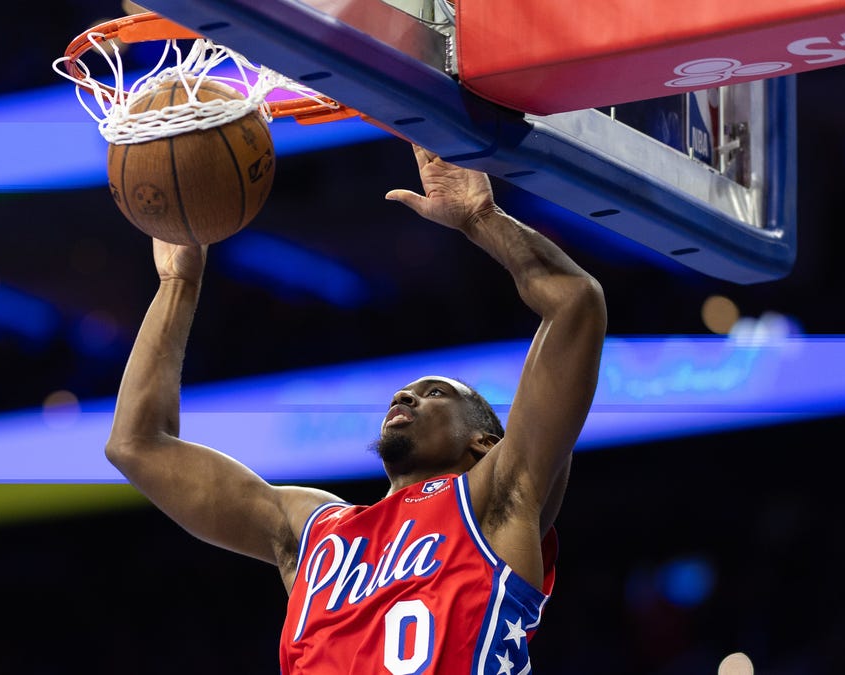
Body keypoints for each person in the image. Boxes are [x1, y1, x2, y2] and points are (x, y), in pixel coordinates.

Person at [105, 145, 607, 674]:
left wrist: (482, 218)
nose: (405, 396)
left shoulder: (495, 497)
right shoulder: (316, 532)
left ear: (484, 441)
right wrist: (178, 284)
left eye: (437, 393)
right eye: (404, 393)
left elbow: (576, 301)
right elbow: (137, 446)